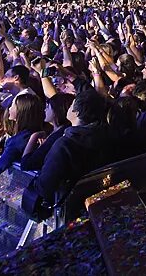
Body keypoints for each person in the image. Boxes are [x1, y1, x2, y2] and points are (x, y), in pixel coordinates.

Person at [22, 89, 116, 219]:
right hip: (96, 204)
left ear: (76, 112)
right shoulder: (106, 136)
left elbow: (45, 184)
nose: (69, 107)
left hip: (69, 211)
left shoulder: (65, 144)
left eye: (72, 105)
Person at [0, 92, 45, 177]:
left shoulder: (17, 141)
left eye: (13, 106)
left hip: (20, 184)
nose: (9, 109)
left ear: (21, 112)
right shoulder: (36, 133)